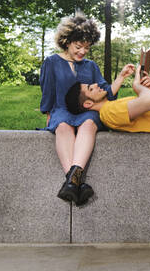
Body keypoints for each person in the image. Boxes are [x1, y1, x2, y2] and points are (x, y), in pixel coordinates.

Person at [40, 12, 134, 206]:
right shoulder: (51, 62)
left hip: (86, 111)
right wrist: (48, 114)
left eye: (87, 48)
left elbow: (105, 91)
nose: (82, 51)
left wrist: (121, 77)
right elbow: (47, 91)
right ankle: (76, 182)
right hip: (61, 109)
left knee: (89, 123)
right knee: (63, 126)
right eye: (78, 46)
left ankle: (71, 182)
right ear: (67, 41)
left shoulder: (91, 66)